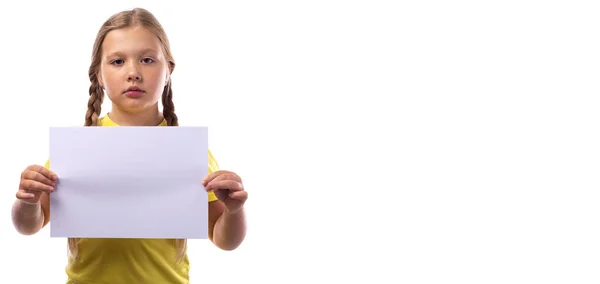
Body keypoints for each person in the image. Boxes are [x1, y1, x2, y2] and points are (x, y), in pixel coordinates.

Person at [10, 7, 247, 284]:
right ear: (98, 75)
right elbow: (29, 226)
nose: (133, 72)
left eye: (147, 60)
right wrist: (26, 200)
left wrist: (234, 210)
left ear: (168, 70)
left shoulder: (189, 152)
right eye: (118, 61)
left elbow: (224, 240)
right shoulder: (78, 148)